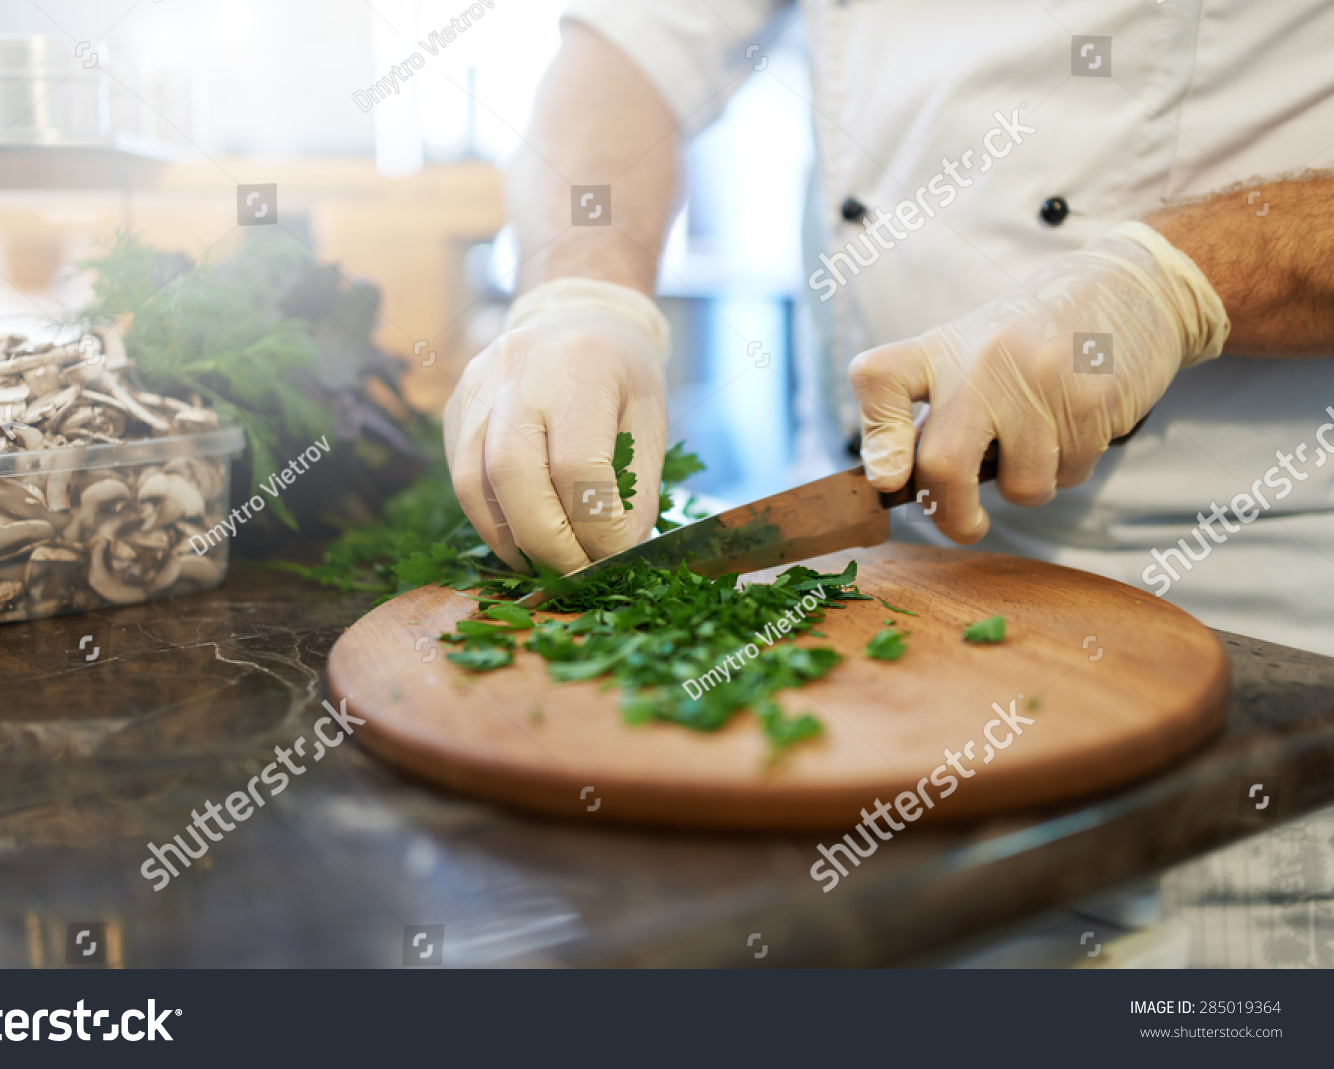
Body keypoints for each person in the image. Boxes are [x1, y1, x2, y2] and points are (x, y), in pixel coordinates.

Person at [444, 0, 1334, 661]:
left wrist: (1174, 283)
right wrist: (584, 290)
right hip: (874, 606)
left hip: (1234, 619)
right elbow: (625, 52)